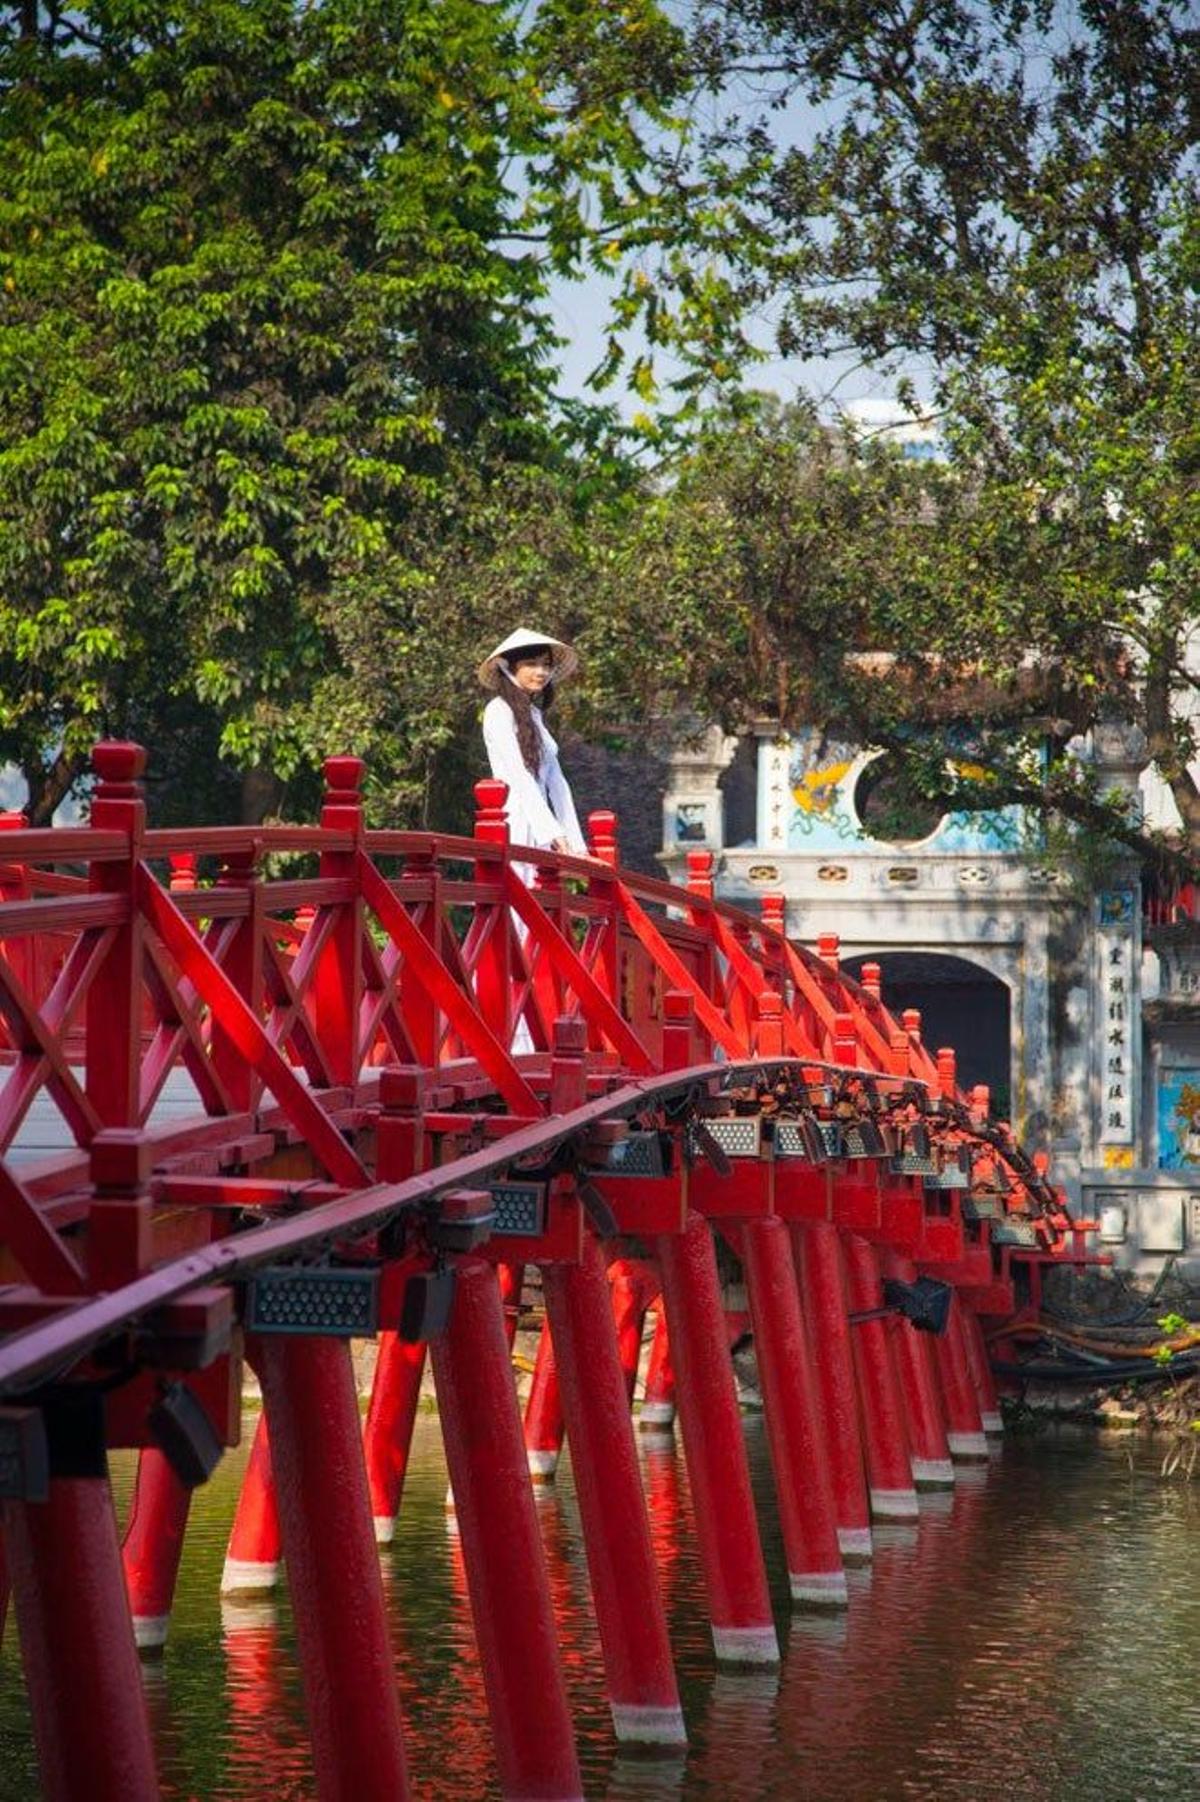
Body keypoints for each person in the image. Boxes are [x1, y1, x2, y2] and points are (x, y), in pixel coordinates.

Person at [478, 627, 587, 866]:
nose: (541, 672)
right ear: (508, 667)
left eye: (546, 665)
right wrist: (553, 833)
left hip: (540, 822)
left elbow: (557, 782)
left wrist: (576, 843)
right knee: (520, 893)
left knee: (540, 895)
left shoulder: (534, 715)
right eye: (531, 664)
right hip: (514, 818)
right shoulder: (498, 710)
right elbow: (518, 774)